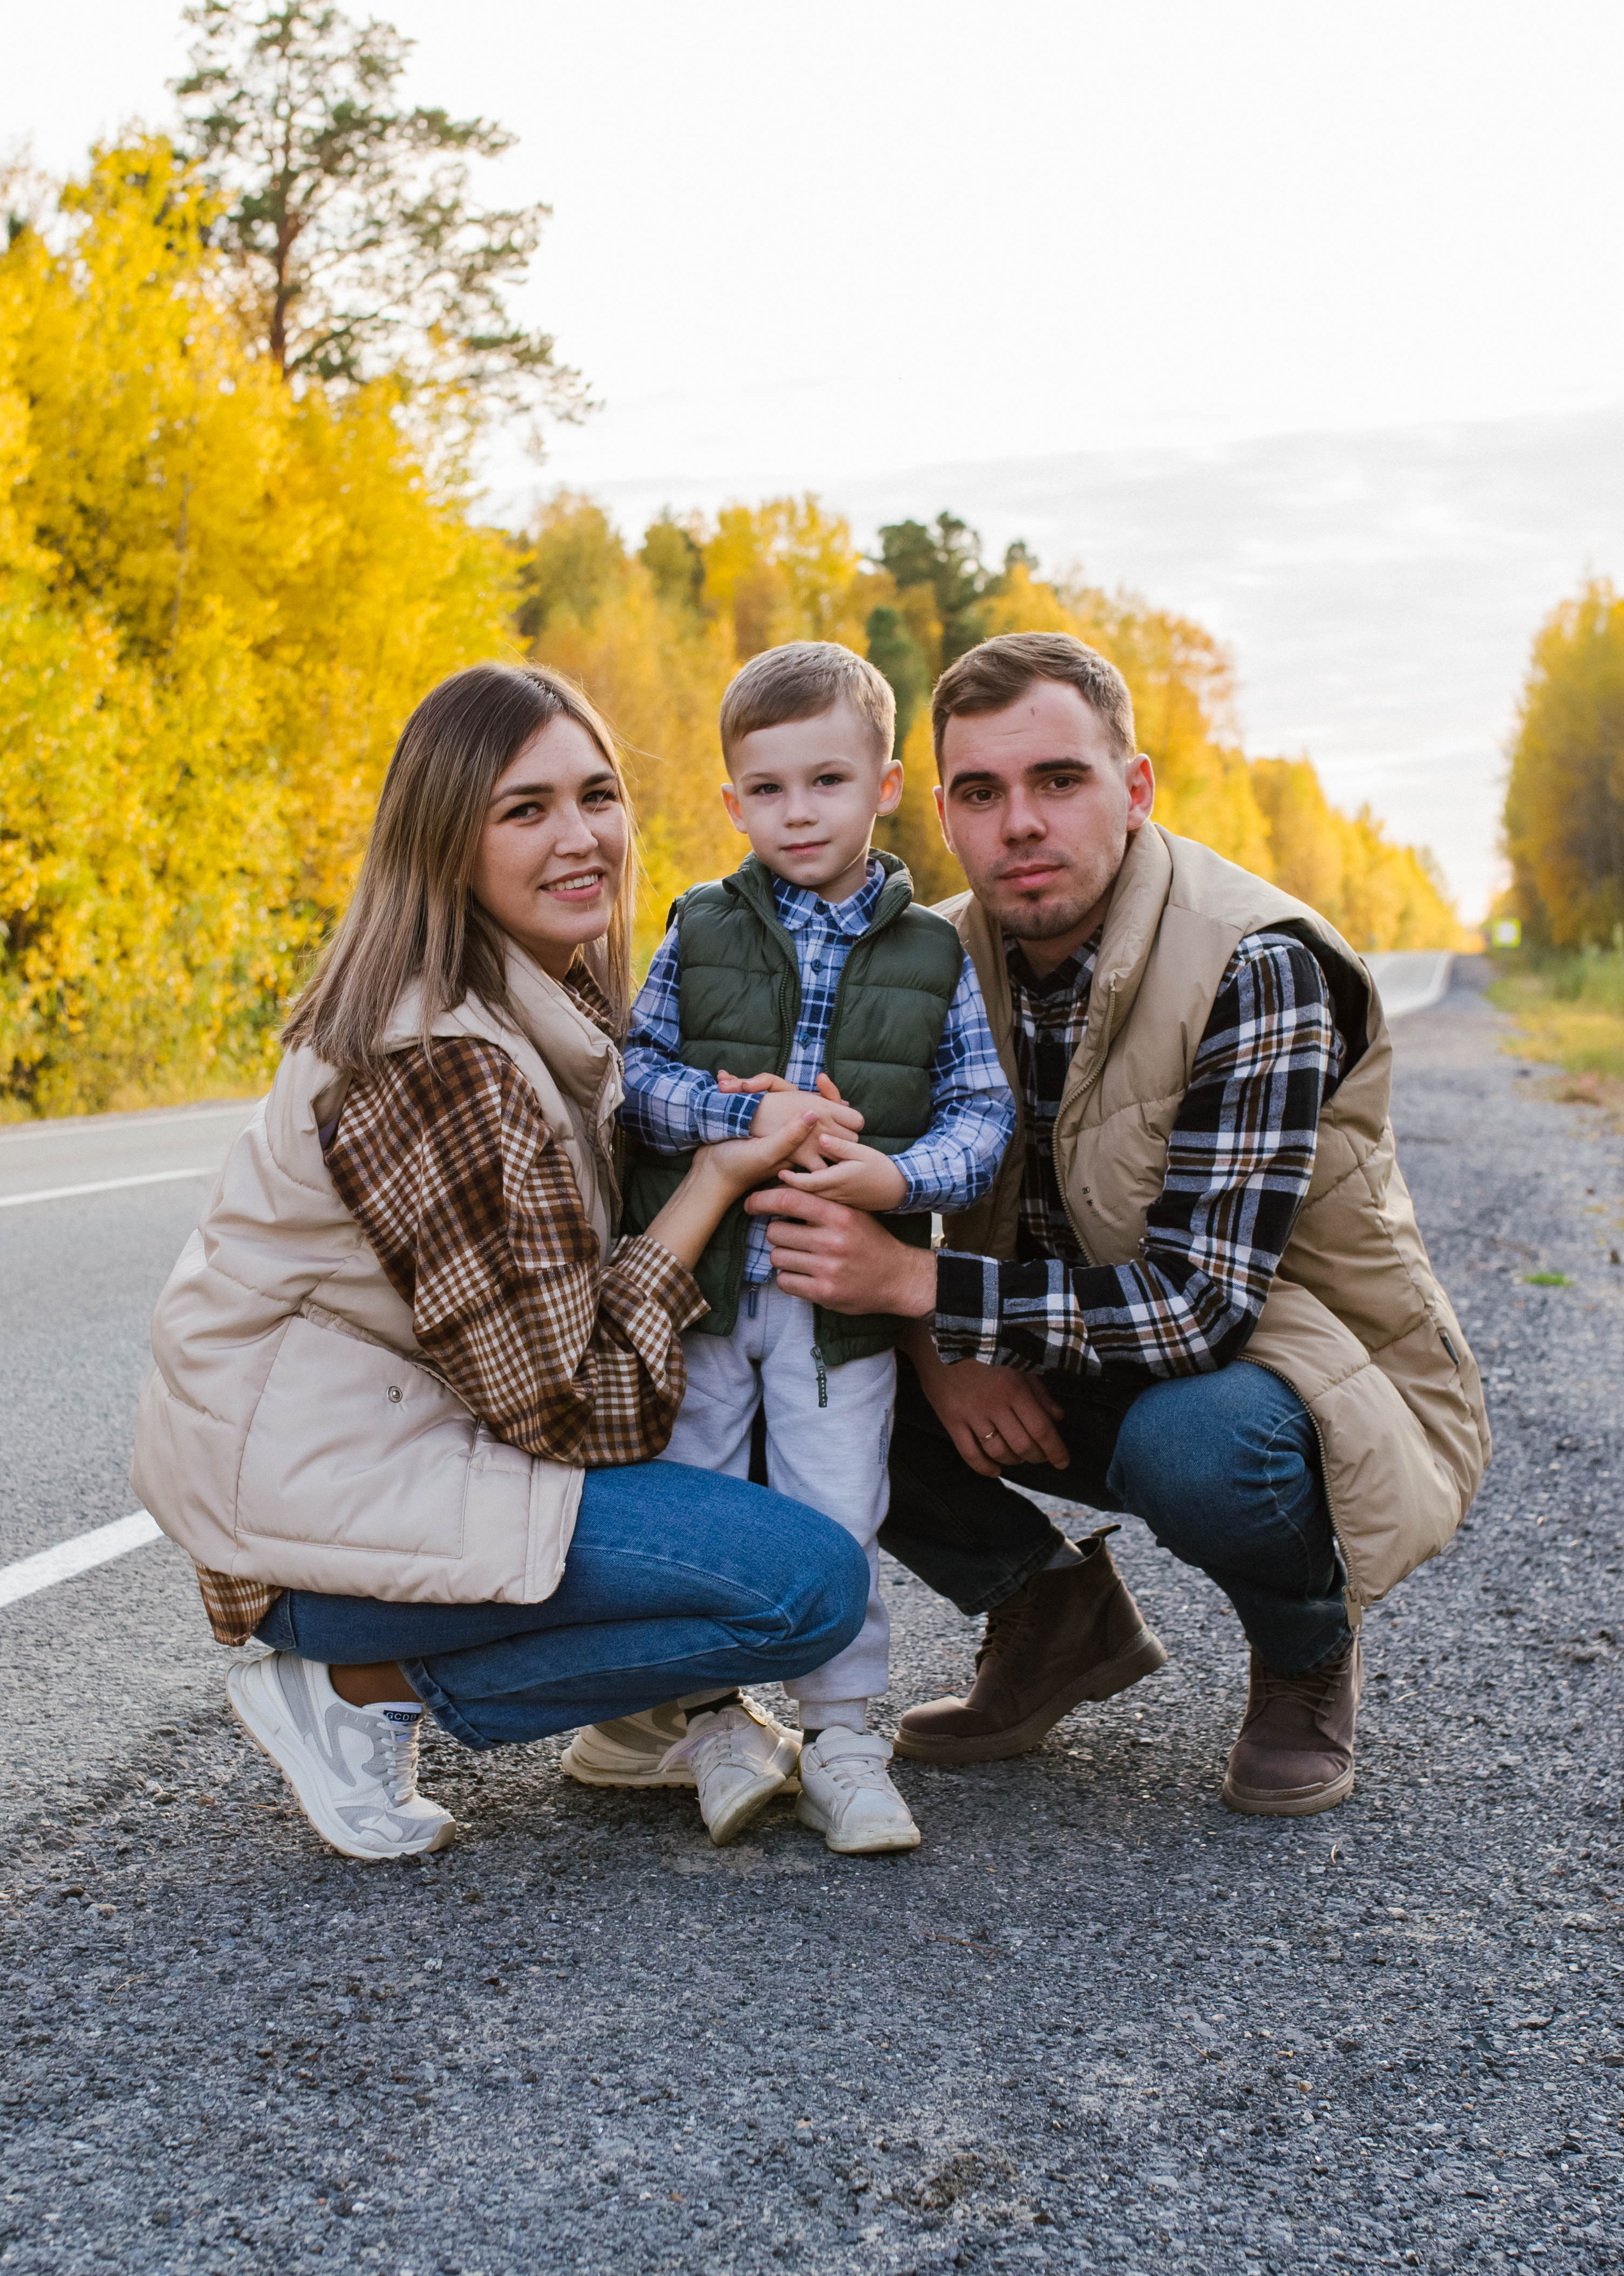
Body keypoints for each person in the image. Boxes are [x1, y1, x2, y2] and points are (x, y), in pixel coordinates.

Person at [737, 631, 1491, 1818]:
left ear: (1134, 789)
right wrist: (934, 1350)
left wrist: (925, 1295)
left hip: (1289, 1366)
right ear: (941, 814)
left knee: (1200, 1448)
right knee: (782, 1364)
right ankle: (1048, 1613)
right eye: (981, 793)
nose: (1021, 824)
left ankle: (1305, 1651)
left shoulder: (1255, 961)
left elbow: (1202, 1307)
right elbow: (847, 1203)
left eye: (1059, 780)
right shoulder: (920, 961)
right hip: (1048, 1336)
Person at [130, 662, 870, 1863]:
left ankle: (633, 1723)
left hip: (391, 1462)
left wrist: (728, 1126)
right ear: (445, 842)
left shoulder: (534, 1005)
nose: (581, 838)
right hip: (321, 1531)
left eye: (597, 796)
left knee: (765, 1415)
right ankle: (356, 1689)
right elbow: (574, 1409)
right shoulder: (442, 1064)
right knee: (804, 1589)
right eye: (525, 810)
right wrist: (713, 1184)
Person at [562, 642, 1015, 1855]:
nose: (797, 812)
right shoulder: (699, 926)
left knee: (839, 1508)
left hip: (838, 1305)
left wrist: (892, 1177)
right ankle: (712, 1720)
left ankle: (845, 1738)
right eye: (767, 789)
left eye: (827, 782)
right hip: (704, 1294)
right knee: (701, 1505)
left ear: (886, 787)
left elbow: (982, 1120)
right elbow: (632, 1077)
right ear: (731, 802)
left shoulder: (934, 955)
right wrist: (736, 1117)